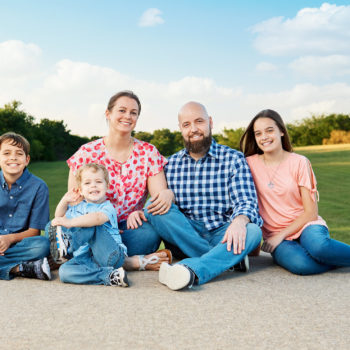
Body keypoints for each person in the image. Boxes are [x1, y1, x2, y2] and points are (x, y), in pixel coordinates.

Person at [144, 102, 263, 290]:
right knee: (153, 204)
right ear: (181, 129)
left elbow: (246, 201)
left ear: (210, 122)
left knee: (253, 231)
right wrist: (167, 194)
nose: (193, 129)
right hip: (185, 234)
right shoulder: (171, 164)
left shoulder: (233, 158)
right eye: (186, 125)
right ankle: (228, 259)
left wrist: (239, 221)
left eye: (199, 121)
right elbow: (162, 207)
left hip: (222, 233)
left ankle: (191, 268)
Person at [66, 91, 172, 271]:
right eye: (122, 110)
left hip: (131, 228)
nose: (127, 116)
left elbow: (158, 201)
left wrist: (142, 212)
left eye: (133, 112)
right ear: (108, 114)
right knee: (79, 233)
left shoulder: (148, 152)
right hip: (94, 225)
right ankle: (131, 262)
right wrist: (103, 226)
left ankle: (95, 257)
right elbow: (75, 202)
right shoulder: (87, 153)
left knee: (150, 235)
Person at [240, 109, 350, 275]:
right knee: (301, 265)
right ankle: (333, 260)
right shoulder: (248, 164)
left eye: (270, 130)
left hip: (306, 225)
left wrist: (281, 235)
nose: (264, 137)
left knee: (319, 248)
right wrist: (259, 243)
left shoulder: (299, 162)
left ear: (281, 131)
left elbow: (311, 212)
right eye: (258, 133)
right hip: (276, 235)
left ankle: (328, 256)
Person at [47, 163, 129, 287]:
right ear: (80, 190)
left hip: (109, 254)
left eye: (98, 182)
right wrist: (65, 200)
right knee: (64, 272)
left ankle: (68, 245)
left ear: (107, 186)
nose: (93, 185)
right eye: (87, 183)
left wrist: (70, 223)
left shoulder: (107, 207)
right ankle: (108, 276)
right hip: (86, 258)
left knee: (91, 224)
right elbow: (59, 217)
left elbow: (97, 218)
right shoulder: (78, 208)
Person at [0, 132, 51, 281]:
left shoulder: (39, 187)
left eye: (19, 153)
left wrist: (8, 239)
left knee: (43, 245)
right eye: (7, 153)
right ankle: (19, 268)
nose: (13, 157)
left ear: (27, 159)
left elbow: (34, 231)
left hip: (21, 244)